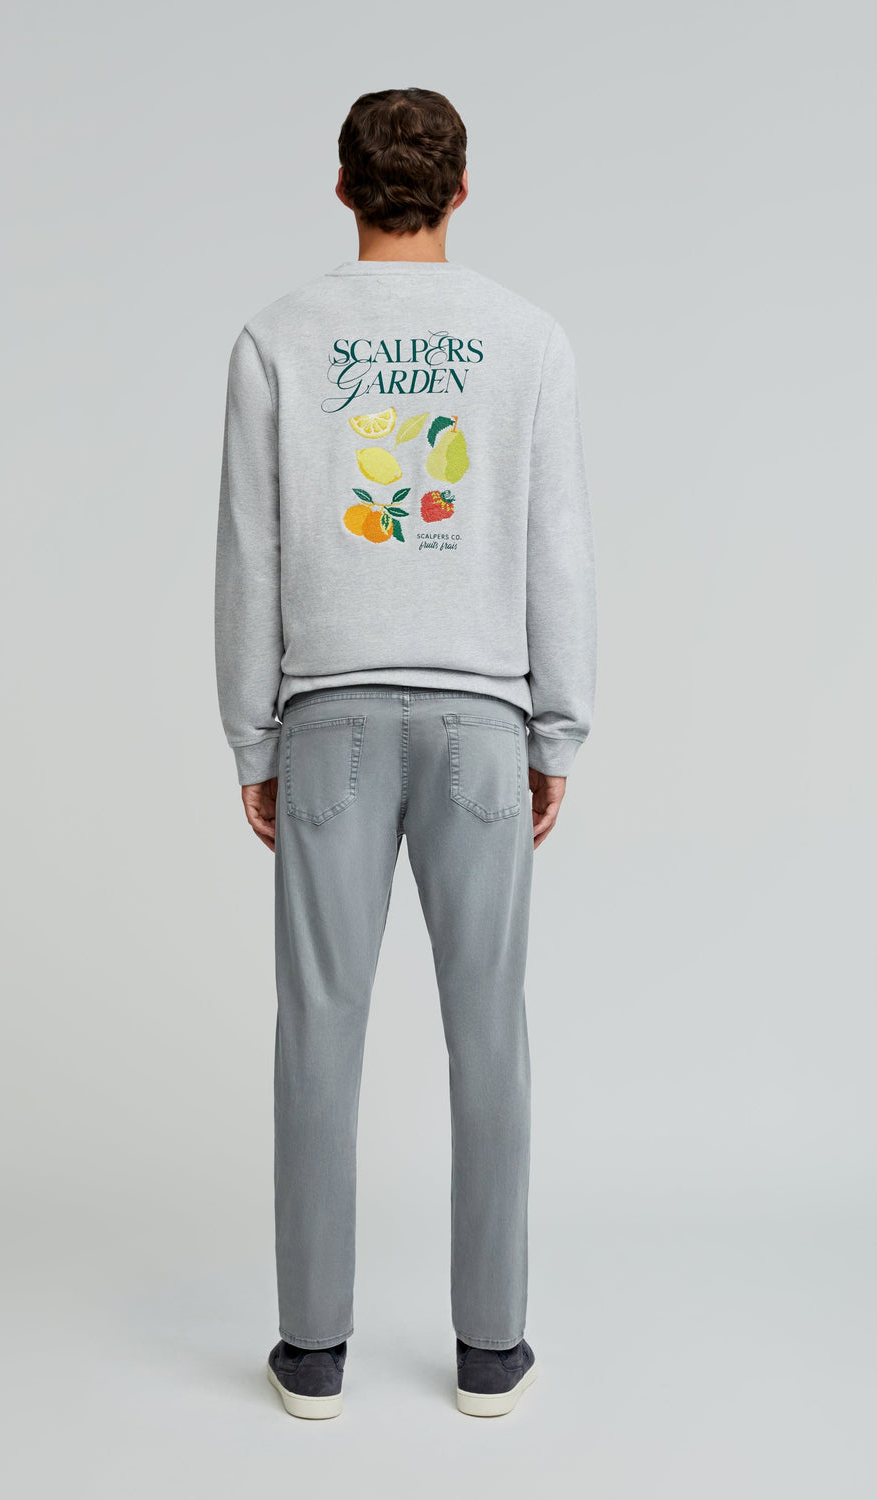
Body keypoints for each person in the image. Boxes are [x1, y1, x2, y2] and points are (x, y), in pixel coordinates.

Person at [214, 86, 597, 1420]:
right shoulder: (526, 339)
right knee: (490, 1032)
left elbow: (251, 555)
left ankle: (313, 1355)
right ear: (462, 189)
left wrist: (251, 737)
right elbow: (558, 547)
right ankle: (491, 1351)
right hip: (482, 723)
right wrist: (559, 724)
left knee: (317, 1033)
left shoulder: (277, 338)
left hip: (325, 722)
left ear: (342, 188)